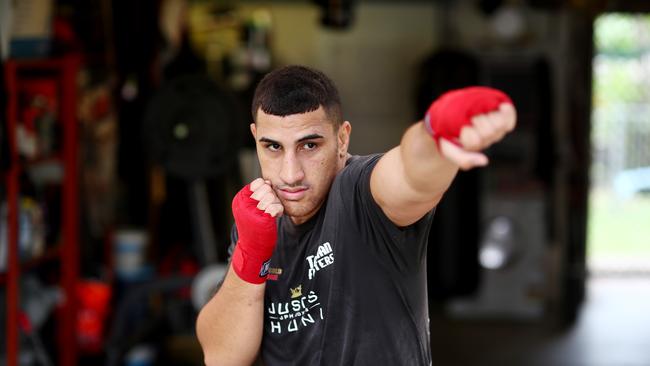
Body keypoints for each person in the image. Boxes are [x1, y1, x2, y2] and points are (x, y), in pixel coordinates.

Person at [196, 65, 516, 365]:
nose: (290, 174)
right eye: (273, 147)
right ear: (255, 139)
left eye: (309, 146)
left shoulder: (359, 194)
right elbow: (221, 357)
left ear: (342, 138)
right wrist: (250, 256)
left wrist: (436, 134)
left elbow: (408, 174)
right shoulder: (261, 217)